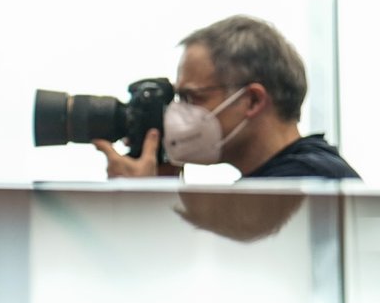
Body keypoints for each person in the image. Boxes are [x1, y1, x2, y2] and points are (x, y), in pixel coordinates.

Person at [99, 14, 359, 181]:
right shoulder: (291, 176)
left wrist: (143, 203)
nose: (178, 113)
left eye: (192, 98)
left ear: (253, 101)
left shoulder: (303, 185)